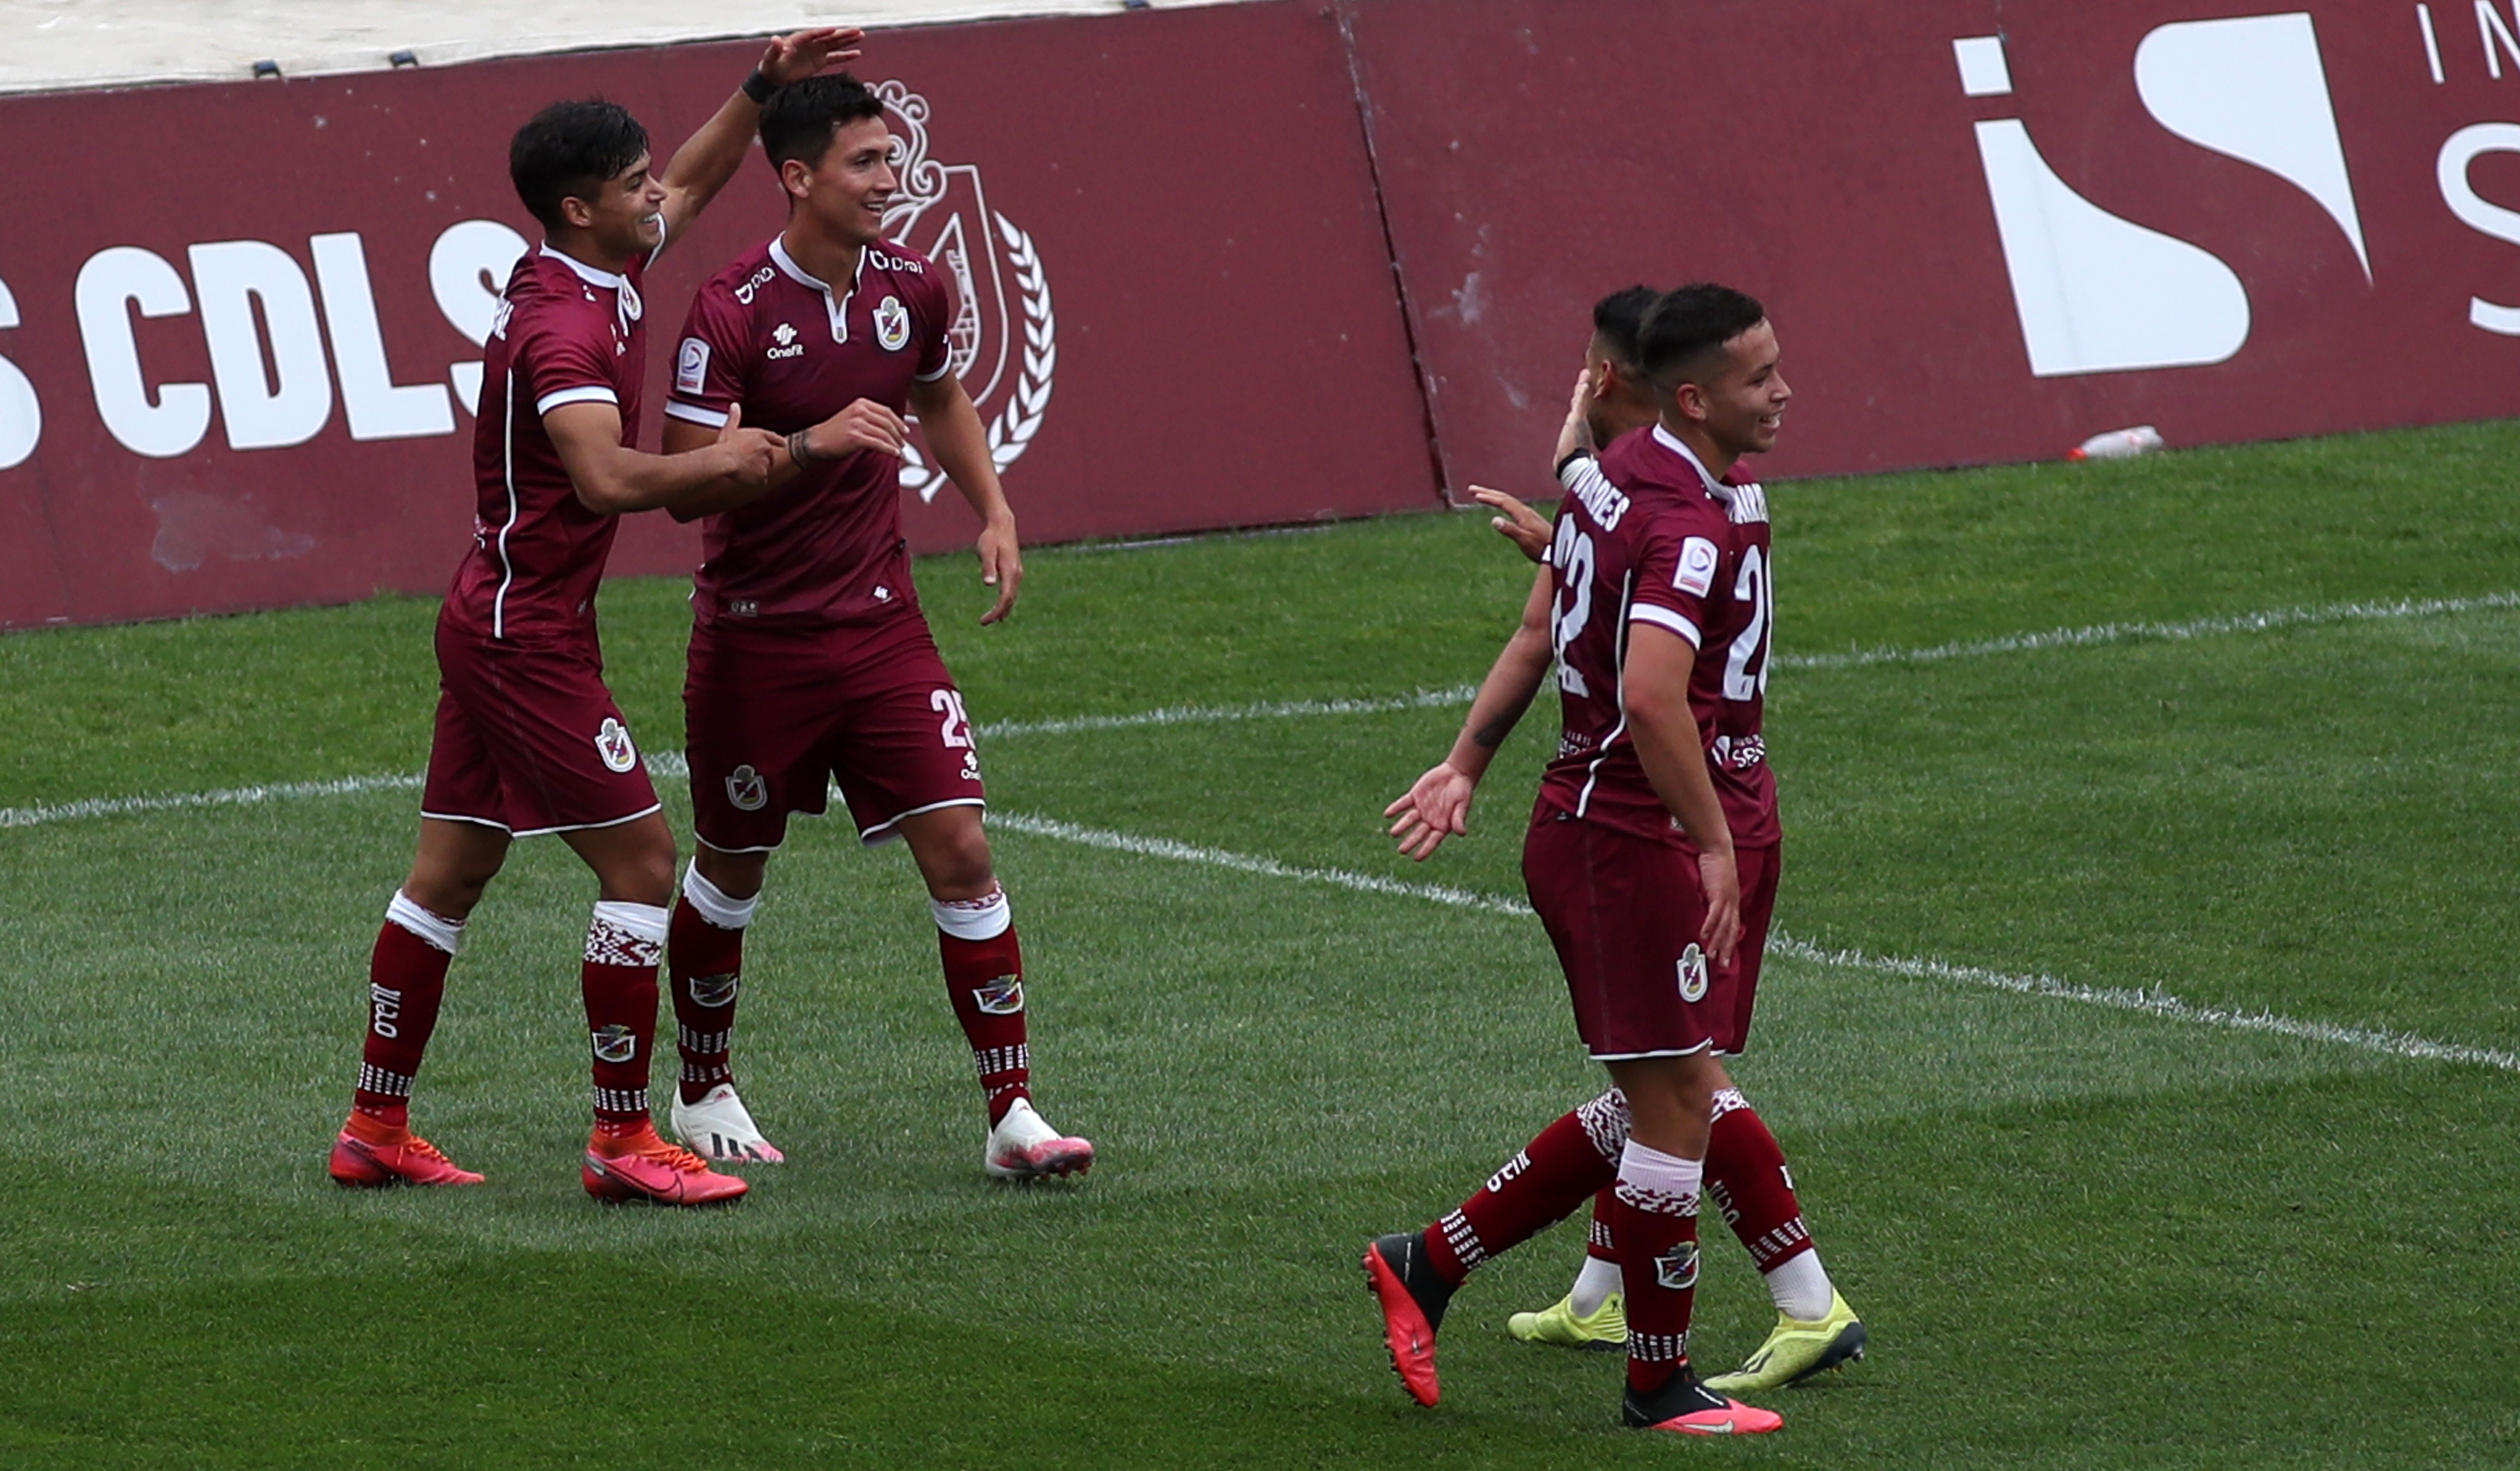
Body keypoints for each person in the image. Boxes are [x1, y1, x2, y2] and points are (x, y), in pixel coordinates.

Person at [326, 27, 860, 1207]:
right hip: (526, 638)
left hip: (500, 615)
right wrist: (757, 457)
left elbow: (704, 177)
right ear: (578, 208)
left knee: (449, 876)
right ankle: (623, 1142)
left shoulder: (597, 266)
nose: (655, 195)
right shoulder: (563, 329)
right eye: (632, 186)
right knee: (643, 861)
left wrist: (763, 84)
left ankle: (373, 1123)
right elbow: (611, 481)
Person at [1365, 285, 1827, 1435]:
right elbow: (1652, 693)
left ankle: (1437, 1262)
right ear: (1689, 395)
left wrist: (1567, 512)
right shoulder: (1685, 516)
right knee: (1679, 1098)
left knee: (1668, 1090)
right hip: (1633, 830)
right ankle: (1665, 1381)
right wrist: (1714, 843)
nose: (1784, 391)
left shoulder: (1626, 485)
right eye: (1760, 376)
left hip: (1648, 819)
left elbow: (1583, 507)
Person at [650, 73, 1092, 1180]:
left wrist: (992, 508)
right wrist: (810, 445)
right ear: (798, 177)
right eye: (864, 162)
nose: (889, 181)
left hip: (884, 629)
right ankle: (702, 1086)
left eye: (892, 161)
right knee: (730, 871)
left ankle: (1012, 1115)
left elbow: (939, 394)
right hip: (757, 641)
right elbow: (685, 490)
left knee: (964, 849)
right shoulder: (732, 309)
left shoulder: (914, 285)